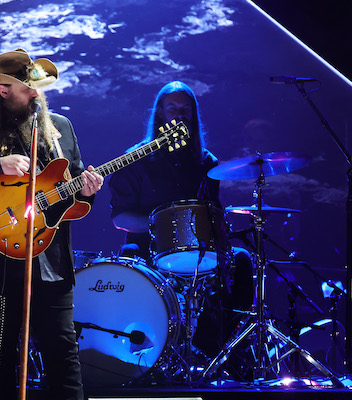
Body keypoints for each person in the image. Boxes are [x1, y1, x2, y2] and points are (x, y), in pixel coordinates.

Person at [0, 49, 103, 400]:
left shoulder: (60, 127)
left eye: (37, 87)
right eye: (27, 88)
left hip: (51, 260)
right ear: (2, 91)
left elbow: (71, 196)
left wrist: (88, 191)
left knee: (63, 352)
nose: (35, 94)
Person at [107, 81, 253, 368]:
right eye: (172, 108)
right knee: (130, 256)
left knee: (243, 260)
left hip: (198, 250)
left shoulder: (206, 162)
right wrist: (161, 227)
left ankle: (228, 351)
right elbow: (119, 218)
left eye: (185, 110)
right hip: (149, 249)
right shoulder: (137, 159)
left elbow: (214, 213)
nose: (179, 114)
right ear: (159, 112)